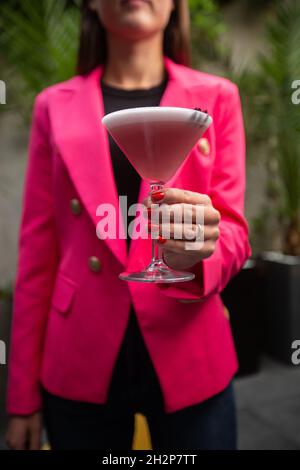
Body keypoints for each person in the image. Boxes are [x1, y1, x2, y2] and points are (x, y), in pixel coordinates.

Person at [6, 0, 251, 450]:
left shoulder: (218, 96)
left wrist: (197, 252)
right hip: (80, 355)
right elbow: (38, 255)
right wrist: (21, 396)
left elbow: (234, 233)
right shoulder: (52, 106)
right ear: (91, 4)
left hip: (190, 349)